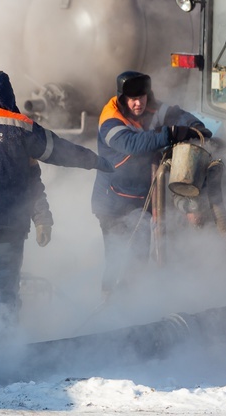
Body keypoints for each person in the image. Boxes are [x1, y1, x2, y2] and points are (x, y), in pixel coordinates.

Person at [0, 70, 113, 330]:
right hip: (8, 225)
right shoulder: (21, 125)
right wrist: (95, 161)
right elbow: (57, 154)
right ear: (8, 96)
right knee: (2, 289)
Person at [91, 71, 211, 298]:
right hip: (114, 205)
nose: (138, 103)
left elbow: (176, 114)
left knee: (138, 260)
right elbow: (133, 144)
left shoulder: (151, 108)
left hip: (141, 201)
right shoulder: (110, 120)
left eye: (142, 97)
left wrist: (194, 125)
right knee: (119, 260)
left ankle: (133, 305)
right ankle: (109, 305)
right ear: (122, 98)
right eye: (132, 99)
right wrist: (172, 133)